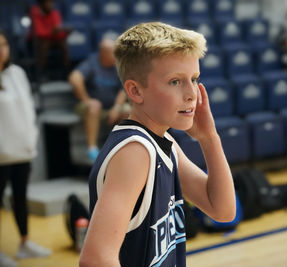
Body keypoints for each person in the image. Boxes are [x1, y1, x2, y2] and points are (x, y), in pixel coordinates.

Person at [79, 22, 236, 267]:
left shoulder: (163, 142)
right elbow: (96, 259)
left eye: (194, 79)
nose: (192, 94)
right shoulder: (135, 151)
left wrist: (209, 138)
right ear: (135, 91)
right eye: (175, 81)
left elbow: (223, 210)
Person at [0, 26, 51, 267]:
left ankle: (24, 243)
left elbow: (29, 109)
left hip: (22, 150)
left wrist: (31, 137)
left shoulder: (17, 72)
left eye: (4, 45)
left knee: (21, 199)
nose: (0, 51)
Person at [68, 38, 128, 161]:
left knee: (128, 111)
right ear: (103, 53)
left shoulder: (118, 65)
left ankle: (120, 148)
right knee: (95, 106)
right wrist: (86, 99)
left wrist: (116, 107)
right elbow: (74, 78)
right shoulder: (92, 63)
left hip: (111, 107)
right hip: (89, 107)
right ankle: (92, 149)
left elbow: (124, 89)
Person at [29, 0, 72, 70]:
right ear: (41, 4)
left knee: (64, 44)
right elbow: (39, 33)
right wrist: (53, 31)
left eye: (52, 2)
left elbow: (59, 33)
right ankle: (41, 71)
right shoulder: (35, 13)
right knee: (44, 44)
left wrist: (66, 32)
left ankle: (66, 69)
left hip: (53, 39)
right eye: (48, 2)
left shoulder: (55, 13)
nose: (51, 5)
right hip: (40, 41)